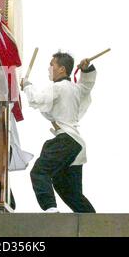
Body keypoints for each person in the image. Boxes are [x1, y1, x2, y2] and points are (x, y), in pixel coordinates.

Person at [21, 51, 96, 213]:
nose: (49, 68)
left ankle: (50, 210)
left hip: (66, 140)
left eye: (52, 65)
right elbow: (86, 85)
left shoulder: (58, 87)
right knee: (68, 190)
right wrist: (86, 70)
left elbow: (36, 100)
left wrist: (27, 86)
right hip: (76, 144)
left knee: (40, 172)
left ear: (61, 69)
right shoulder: (75, 89)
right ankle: (92, 220)